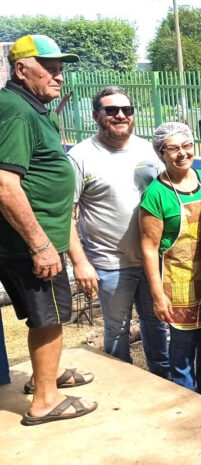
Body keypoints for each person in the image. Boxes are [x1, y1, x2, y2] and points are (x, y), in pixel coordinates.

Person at [0, 34, 97, 426]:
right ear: (22, 70)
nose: (58, 76)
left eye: (60, 69)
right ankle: (45, 400)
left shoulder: (31, 108)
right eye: (50, 68)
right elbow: (5, 184)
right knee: (49, 317)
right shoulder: (17, 112)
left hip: (38, 237)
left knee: (46, 315)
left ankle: (47, 376)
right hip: (30, 244)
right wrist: (40, 245)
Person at [67, 86, 169, 378]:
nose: (120, 115)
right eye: (111, 110)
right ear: (96, 115)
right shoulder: (80, 157)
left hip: (153, 261)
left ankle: (163, 382)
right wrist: (80, 262)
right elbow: (67, 215)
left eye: (127, 110)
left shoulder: (148, 151)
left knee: (157, 324)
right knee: (116, 330)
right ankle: (124, 385)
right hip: (110, 264)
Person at [139, 122, 201, 399]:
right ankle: (186, 394)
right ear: (161, 153)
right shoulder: (156, 194)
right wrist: (157, 295)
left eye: (187, 146)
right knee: (183, 345)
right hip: (178, 280)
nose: (182, 154)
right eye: (173, 149)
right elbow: (150, 249)